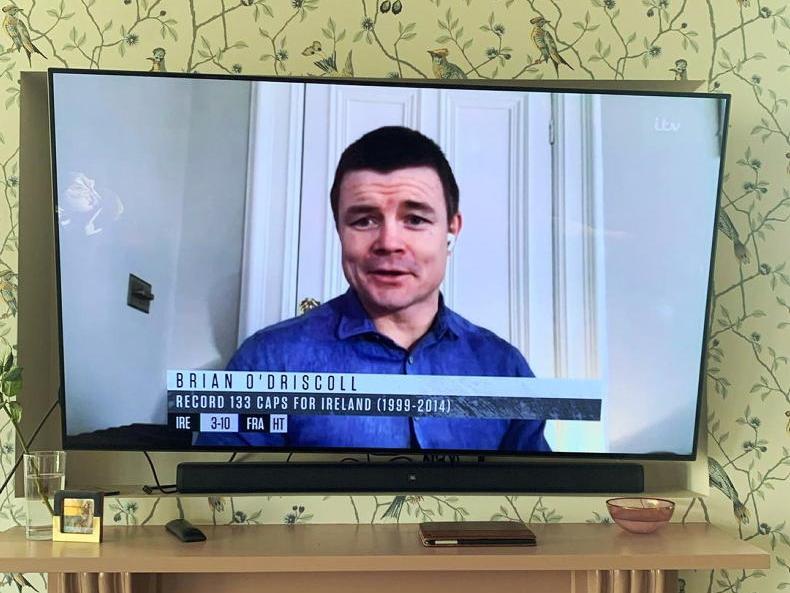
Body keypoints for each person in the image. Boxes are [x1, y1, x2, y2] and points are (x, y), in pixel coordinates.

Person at [198, 126, 549, 452]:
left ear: (451, 231)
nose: (389, 242)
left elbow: (538, 494)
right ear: (340, 230)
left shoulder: (503, 367)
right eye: (364, 220)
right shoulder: (266, 363)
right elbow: (221, 494)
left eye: (415, 219)